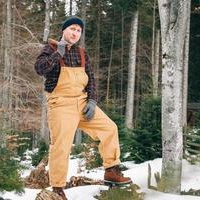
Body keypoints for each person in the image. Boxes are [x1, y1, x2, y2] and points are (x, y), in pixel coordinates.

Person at [34, 16, 132, 200]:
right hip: (61, 104)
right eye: (72, 29)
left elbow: (92, 78)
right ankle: (57, 188)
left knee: (110, 128)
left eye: (78, 31)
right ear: (64, 30)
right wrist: (58, 53)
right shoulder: (51, 48)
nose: (75, 33)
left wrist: (92, 101)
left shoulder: (81, 53)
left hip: (83, 102)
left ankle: (111, 170)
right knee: (61, 146)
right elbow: (40, 69)